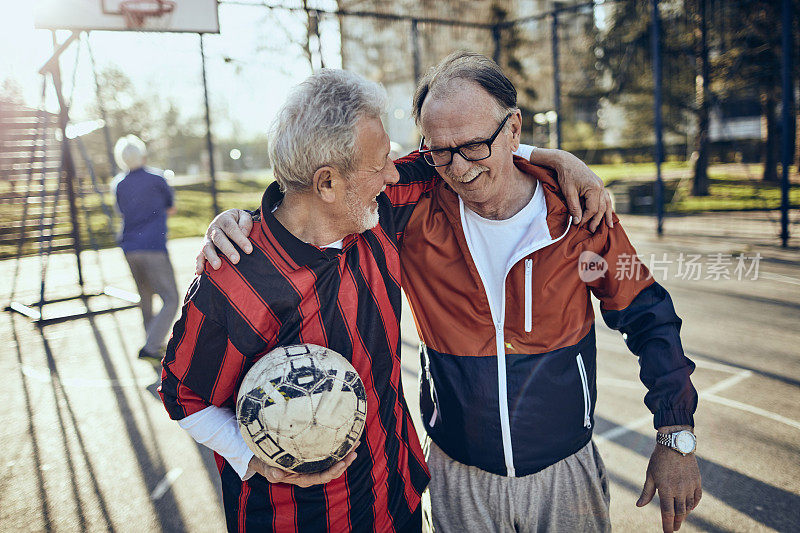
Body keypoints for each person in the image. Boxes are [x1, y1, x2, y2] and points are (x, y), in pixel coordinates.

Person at [203, 52, 702, 533]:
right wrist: (242, 222)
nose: (459, 168)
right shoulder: (407, 203)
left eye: (474, 146)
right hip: (457, 474)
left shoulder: (576, 210)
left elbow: (649, 315)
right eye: (439, 151)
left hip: (564, 471)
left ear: (514, 128)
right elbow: (322, 192)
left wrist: (676, 437)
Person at [111, 134, 179, 364]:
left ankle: (153, 342)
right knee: (171, 297)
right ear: (142, 154)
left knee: (145, 296)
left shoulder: (119, 183)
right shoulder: (157, 178)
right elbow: (171, 208)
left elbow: (121, 211)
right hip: (153, 245)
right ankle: (151, 346)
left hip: (129, 247)